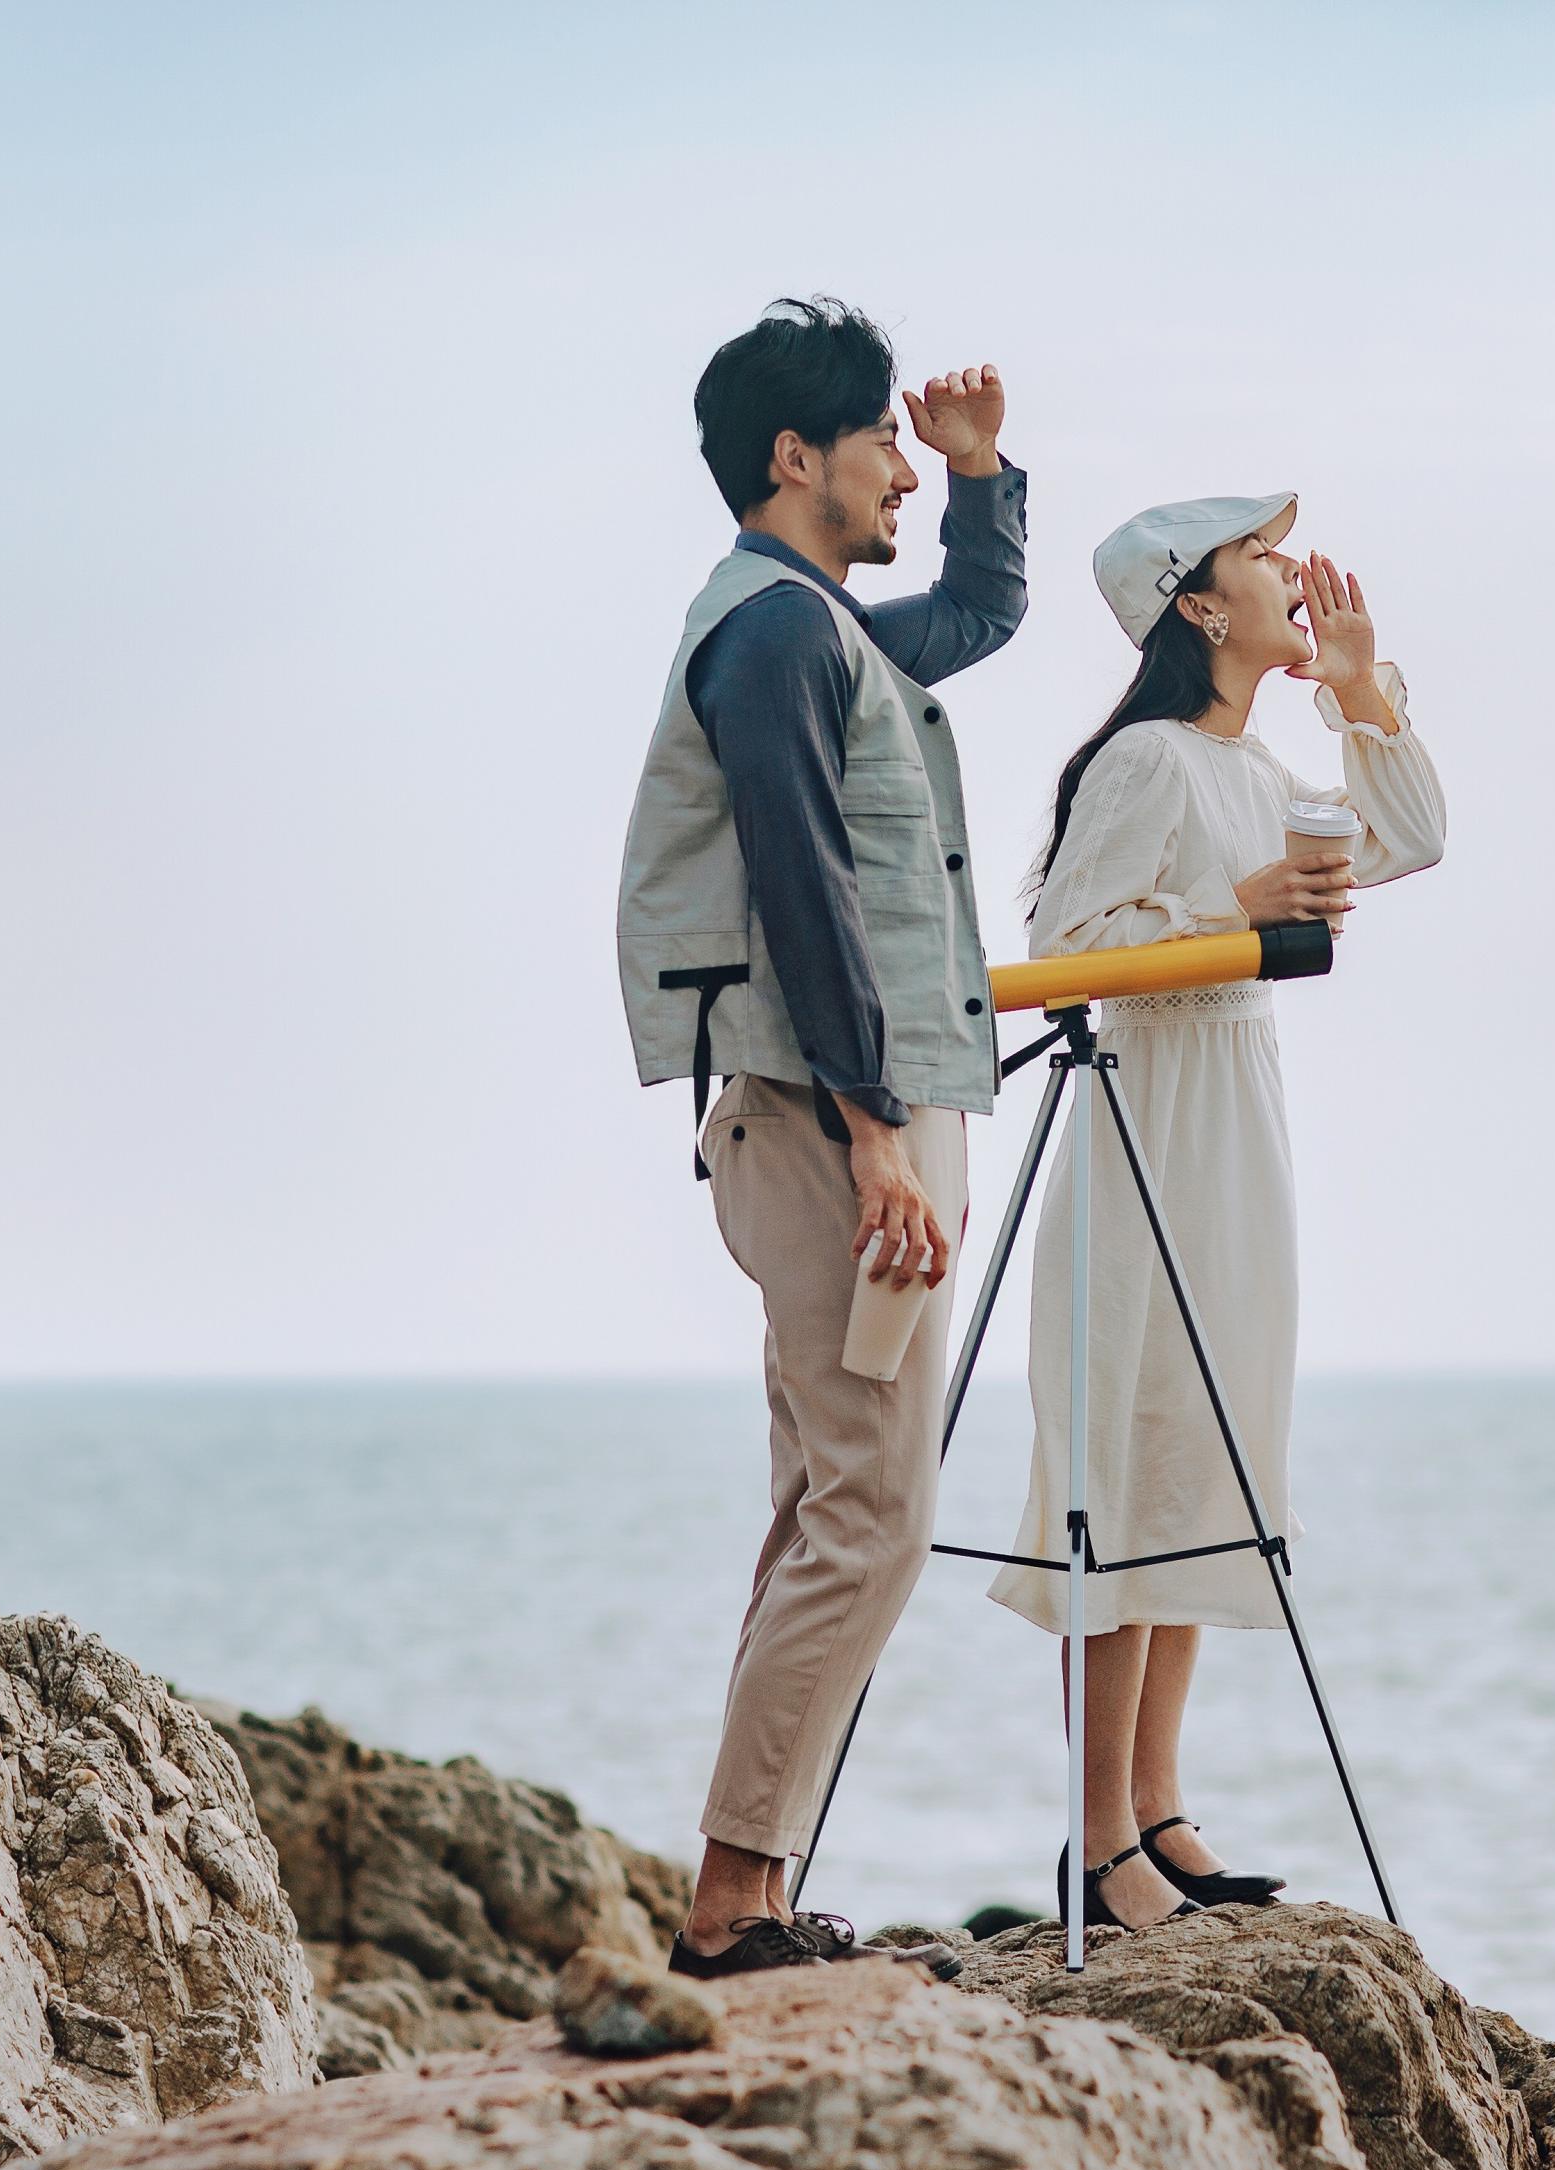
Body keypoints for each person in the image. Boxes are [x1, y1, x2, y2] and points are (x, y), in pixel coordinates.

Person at [614, 298, 1024, 1976]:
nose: (903, 474)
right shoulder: (775, 636)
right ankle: (728, 1901)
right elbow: (801, 886)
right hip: (826, 1115)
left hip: (841, 1108)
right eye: (885, 446)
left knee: (823, 1505)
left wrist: (988, 470)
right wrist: (875, 1133)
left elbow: (980, 612)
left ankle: (756, 1893)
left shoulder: (819, 627)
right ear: (799, 458)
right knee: (877, 1510)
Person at [989, 494, 1445, 1929]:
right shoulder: (1143, 762)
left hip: (1236, 1125)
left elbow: (1413, 835)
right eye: (1258, 555)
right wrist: (1234, 908)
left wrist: (1362, 686)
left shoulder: (1265, 764)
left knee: (1203, 1451)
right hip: (1142, 1122)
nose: (1287, 571)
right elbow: (1061, 952)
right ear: (1196, 603)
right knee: (1118, 1462)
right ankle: (1097, 1832)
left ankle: (1159, 1804)